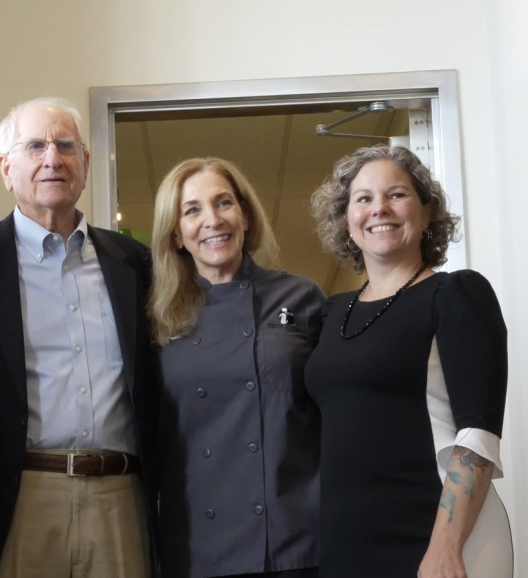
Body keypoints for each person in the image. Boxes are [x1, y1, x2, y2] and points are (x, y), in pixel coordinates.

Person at [0, 97, 158, 578]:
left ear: (86, 166)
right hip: (15, 496)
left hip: (120, 497)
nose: (53, 158)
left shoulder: (136, 263)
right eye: (35, 146)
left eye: (65, 146)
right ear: (7, 168)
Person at [306, 145, 513, 578]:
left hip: (436, 540)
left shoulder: (456, 295)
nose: (379, 208)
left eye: (396, 195)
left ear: (426, 212)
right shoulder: (331, 312)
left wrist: (445, 547)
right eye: (363, 199)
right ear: (346, 219)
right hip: (346, 541)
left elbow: (478, 432)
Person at [148, 157, 323, 578]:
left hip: (295, 537)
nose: (212, 220)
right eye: (192, 210)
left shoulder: (302, 297)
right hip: (198, 545)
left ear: (245, 214)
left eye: (224, 203)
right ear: (175, 233)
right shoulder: (156, 318)